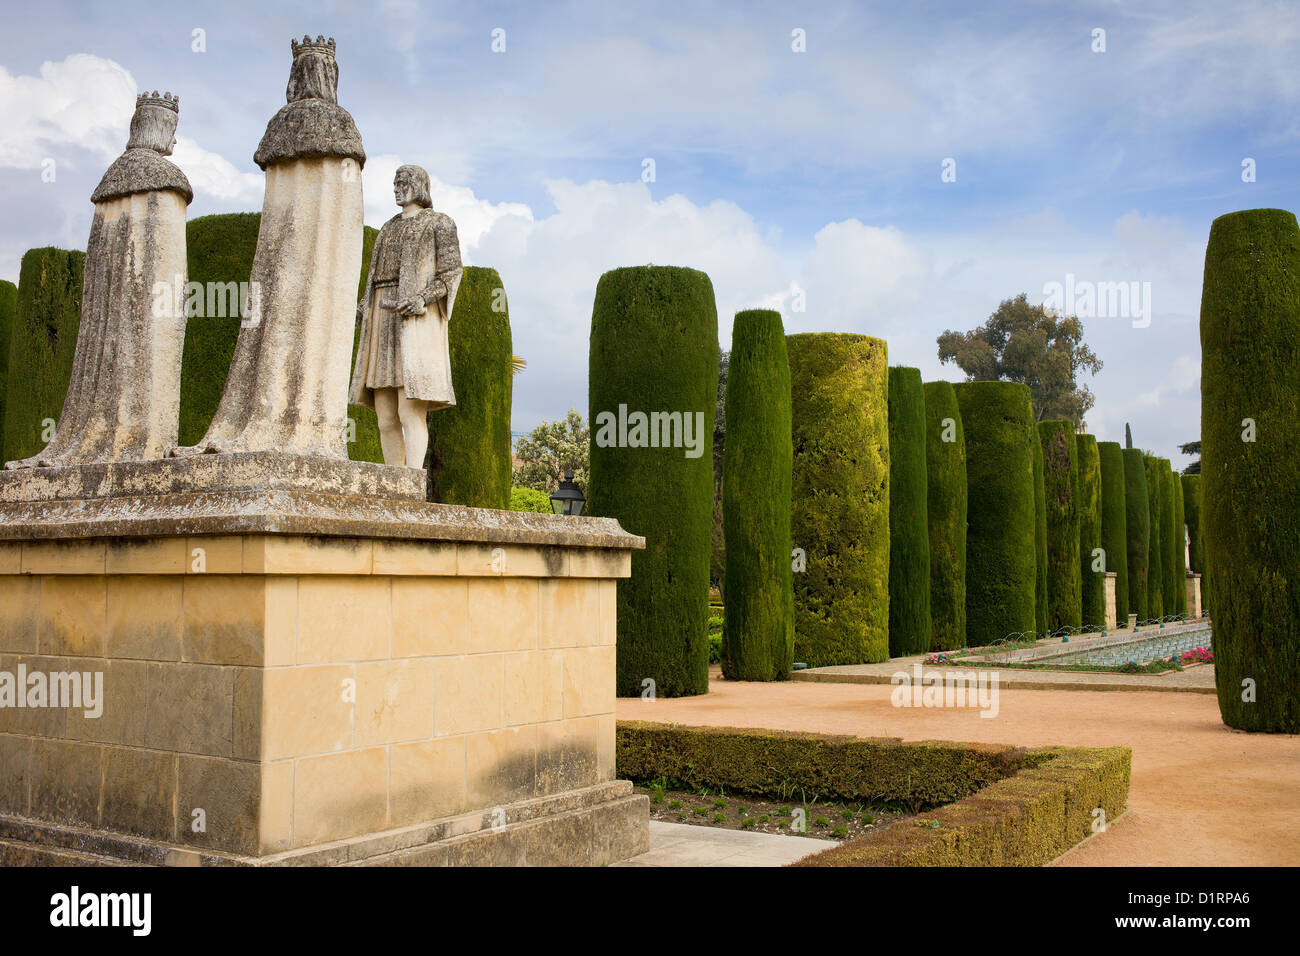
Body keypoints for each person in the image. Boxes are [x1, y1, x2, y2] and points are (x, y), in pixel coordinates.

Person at [5, 91, 191, 468]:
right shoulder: (165, 179)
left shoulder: (112, 182)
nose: (174, 140)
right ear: (158, 128)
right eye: (171, 129)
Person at [349, 164, 463, 468]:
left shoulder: (439, 223)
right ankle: (393, 479)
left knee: (409, 411)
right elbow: (374, 276)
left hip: (414, 322)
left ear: (420, 186)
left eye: (404, 182)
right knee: (385, 415)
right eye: (395, 183)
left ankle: (411, 481)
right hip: (381, 317)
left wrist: (421, 299)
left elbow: (451, 273)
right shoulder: (387, 226)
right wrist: (365, 304)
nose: (398, 188)